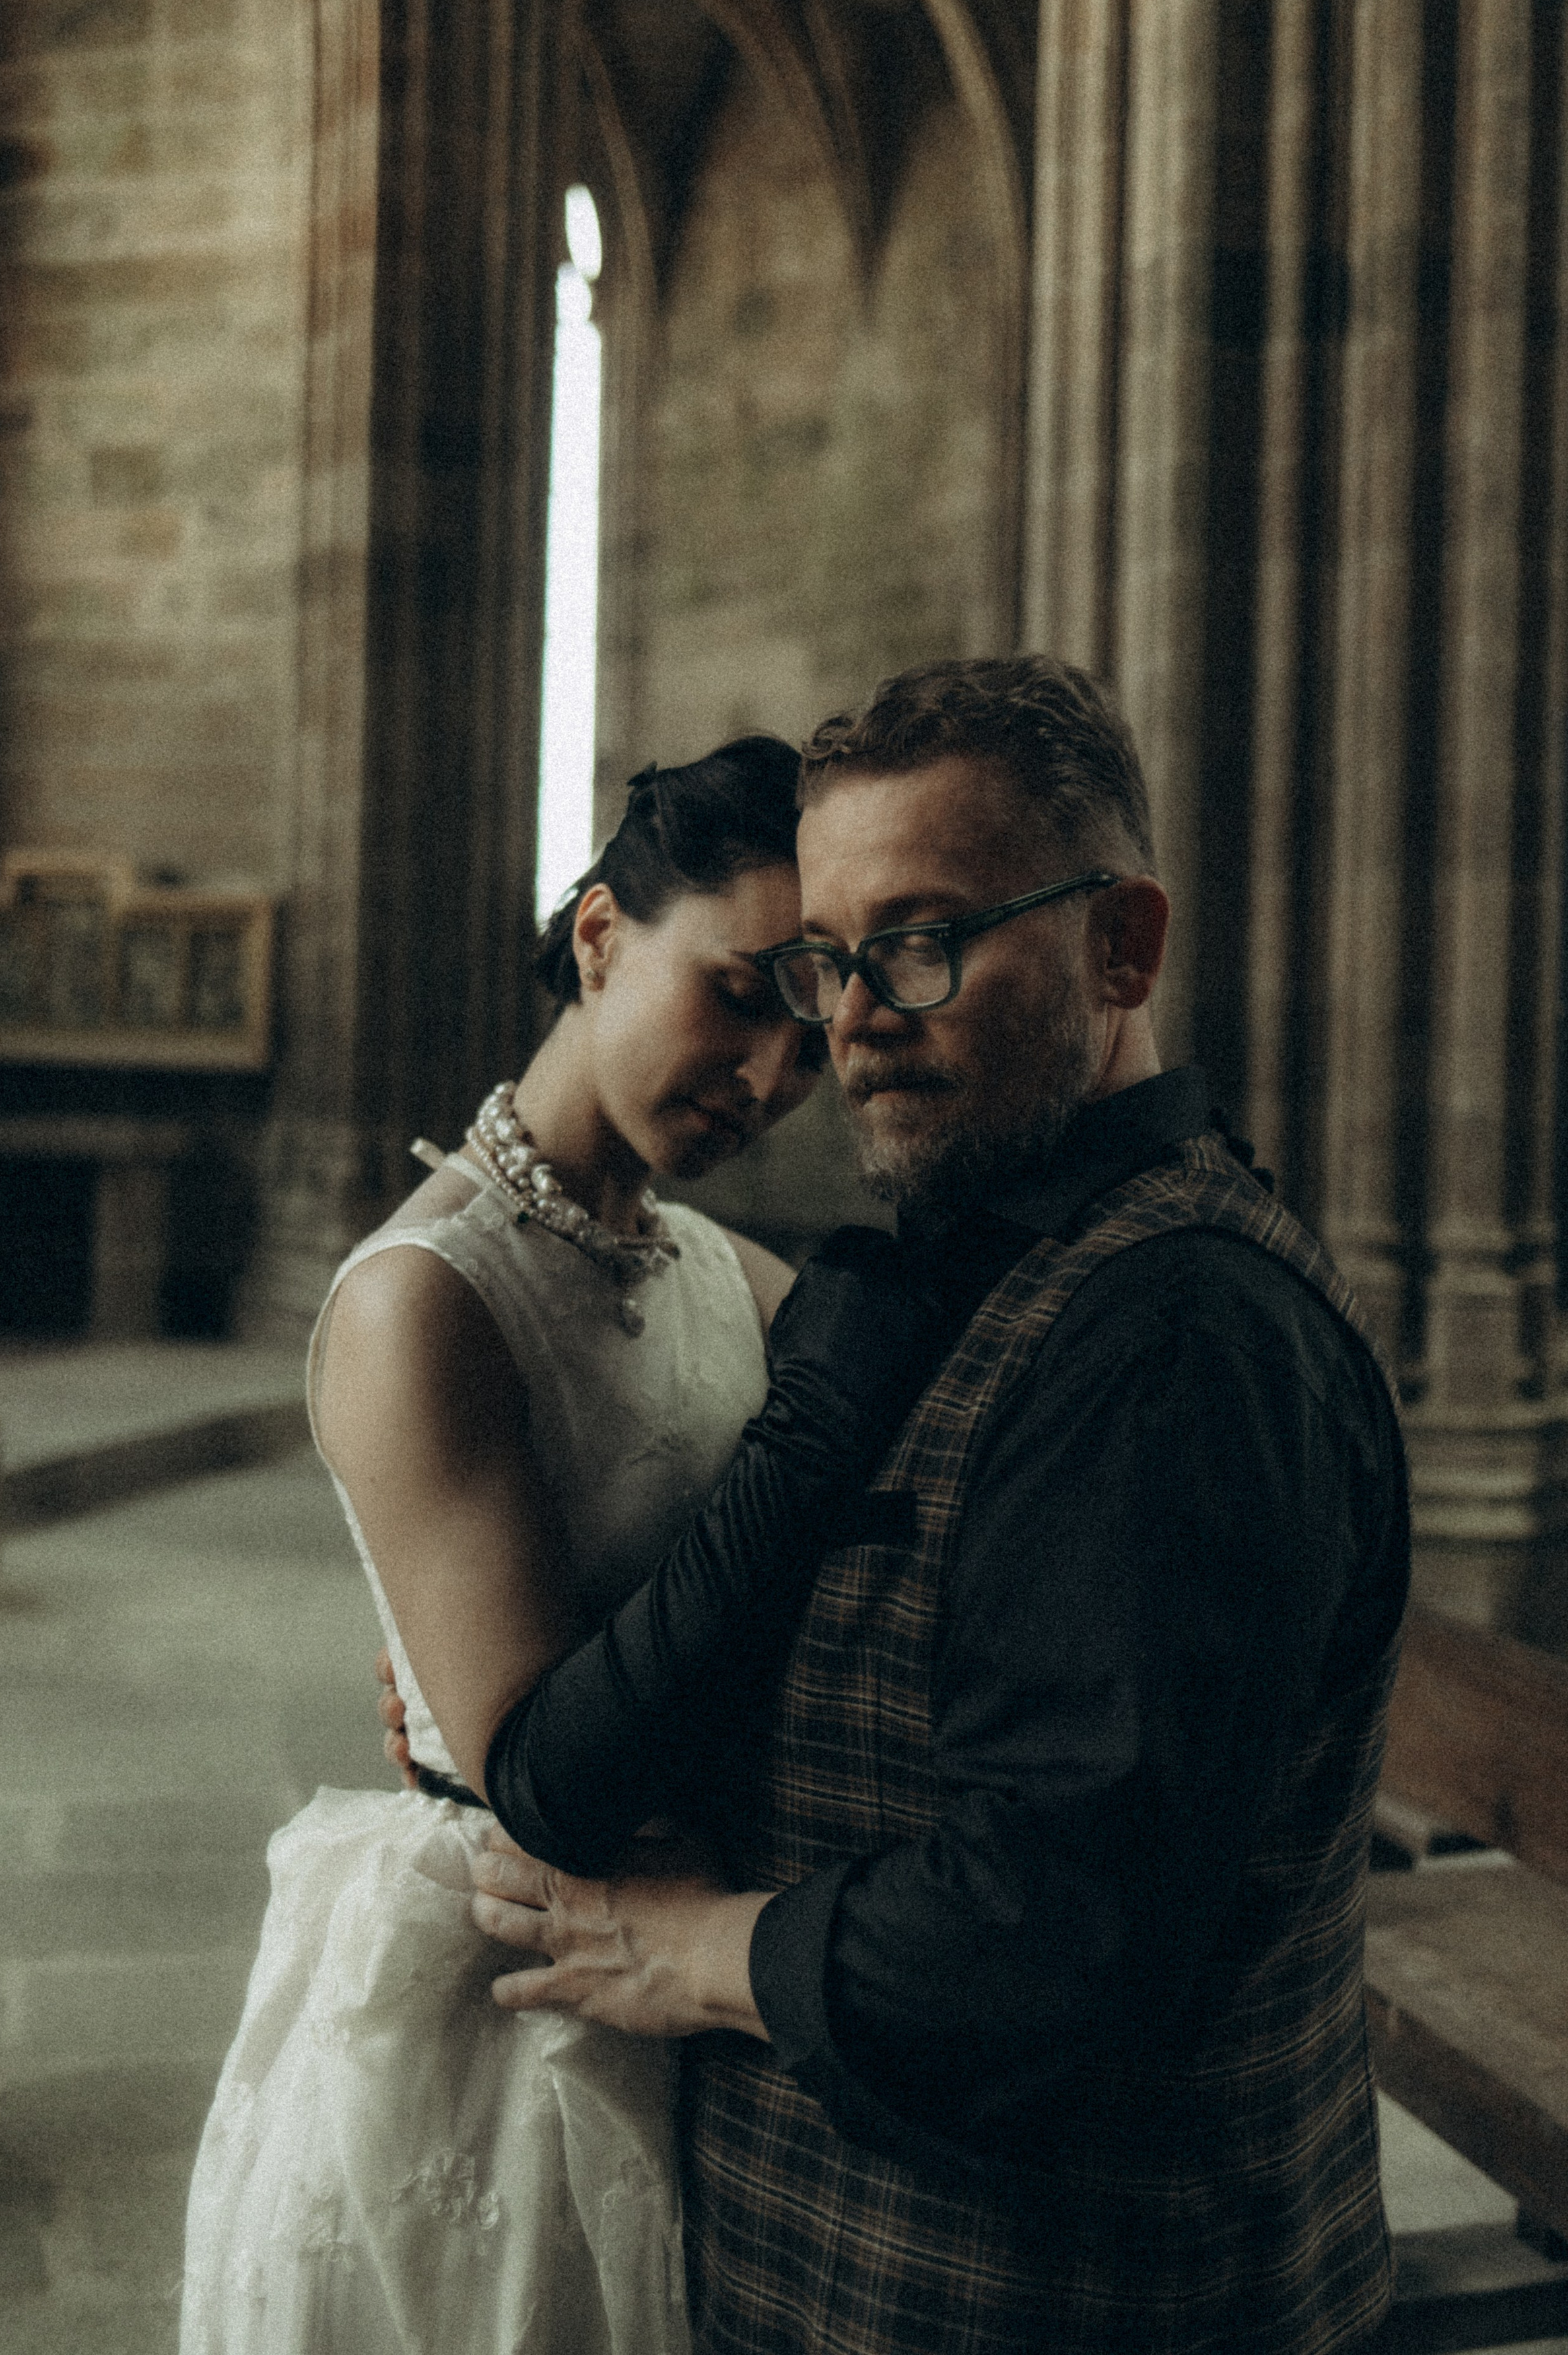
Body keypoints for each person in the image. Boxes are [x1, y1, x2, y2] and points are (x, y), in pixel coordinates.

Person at [465, 658, 1412, 2355]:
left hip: (1064, 2296)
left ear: (1119, 948)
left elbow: (1051, 1927)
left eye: (918, 941)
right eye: (828, 959)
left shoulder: (1171, 1334)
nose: (844, 1021)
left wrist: (692, 1953)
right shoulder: (1000, 1264)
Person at [179, 738, 961, 2355]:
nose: (766, 1082)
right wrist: (458, 1704)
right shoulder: (423, 1303)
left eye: (806, 1042)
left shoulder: (714, 1265)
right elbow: (543, 1752)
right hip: (504, 2002)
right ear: (601, 937)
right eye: (738, 997)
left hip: (697, 1971)